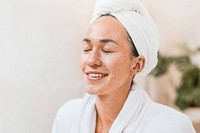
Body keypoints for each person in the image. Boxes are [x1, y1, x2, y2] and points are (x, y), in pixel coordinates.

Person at [52, 0, 196, 133]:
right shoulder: (68, 117)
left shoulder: (171, 127)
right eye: (87, 48)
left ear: (137, 65)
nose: (91, 60)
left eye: (107, 50)